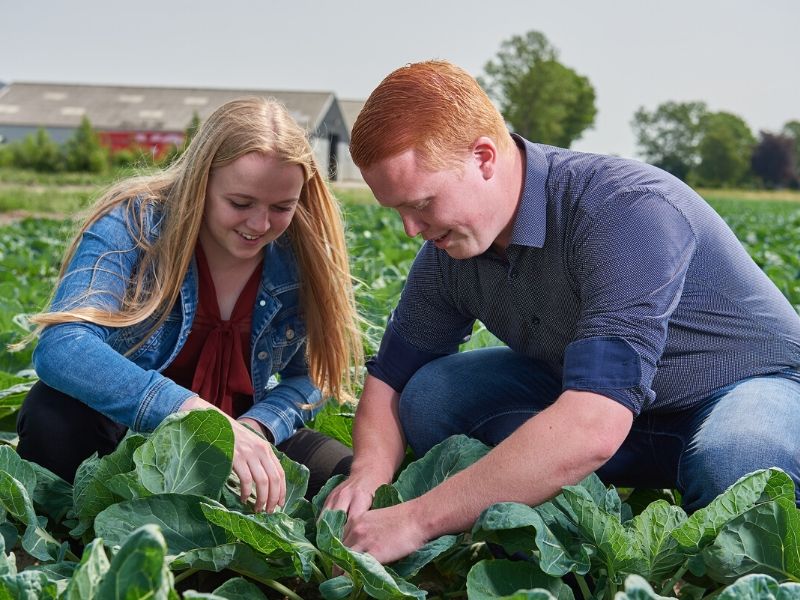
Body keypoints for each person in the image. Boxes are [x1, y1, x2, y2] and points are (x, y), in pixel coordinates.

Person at [324, 60, 800, 563]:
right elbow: (390, 379)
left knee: (740, 464)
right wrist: (368, 475)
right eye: (396, 211)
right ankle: (556, 489)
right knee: (431, 396)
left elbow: (594, 422)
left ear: (484, 157)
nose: (410, 229)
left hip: (744, 387)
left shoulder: (622, 208)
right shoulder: (450, 252)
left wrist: (419, 518)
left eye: (421, 204)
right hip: (620, 418)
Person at [16, 97, 363, 511]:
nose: (260, 225)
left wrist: (256, 428)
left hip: (243, 433)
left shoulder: (301, 253)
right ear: (201, 182)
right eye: (240, 203)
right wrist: (195, 416)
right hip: (131, 435)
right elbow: (62, 345)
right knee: (51, 417)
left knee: (347, 480)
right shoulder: (133, 223)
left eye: (282, 207)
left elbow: (313, 376)